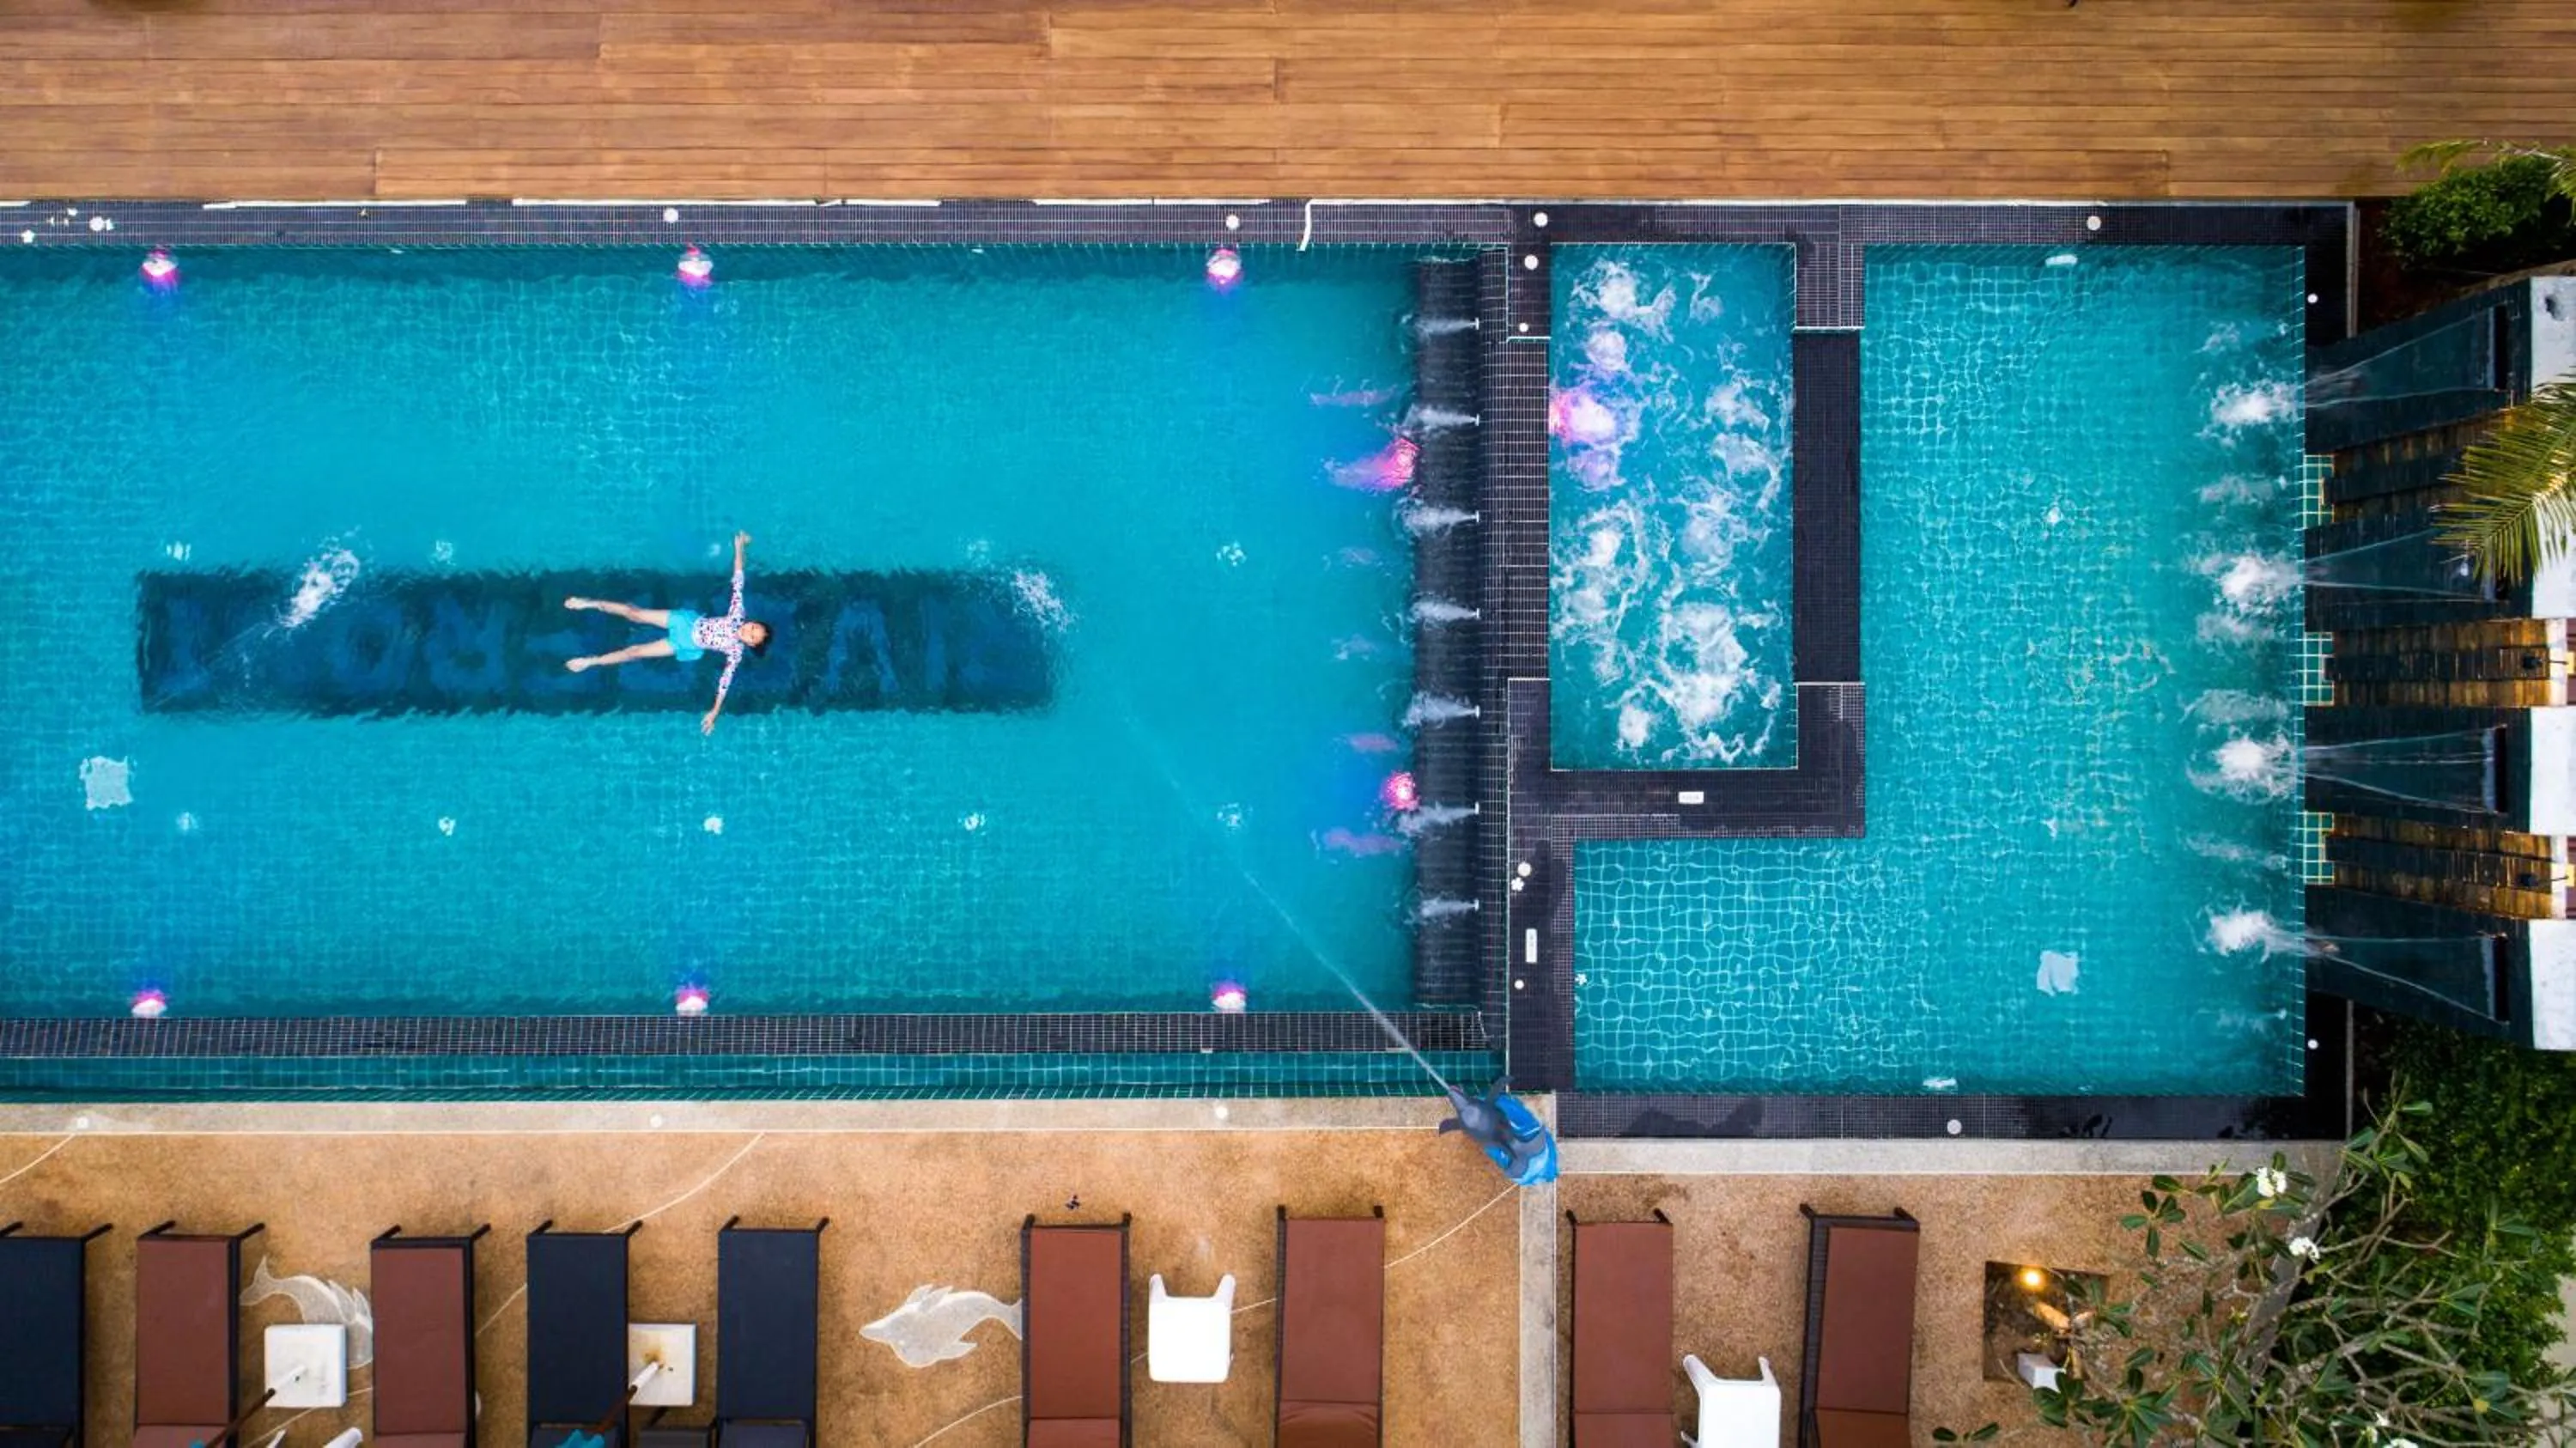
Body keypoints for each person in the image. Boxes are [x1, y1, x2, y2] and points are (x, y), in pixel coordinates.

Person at [563, 532, 771, 734]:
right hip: (685, 622)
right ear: (751, 622)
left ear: (751, 644)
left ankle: (591, 662)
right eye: (753, 627)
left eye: (753, 636)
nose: (749, 631)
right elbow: (738, 579)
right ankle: (590, 603)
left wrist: (714, 712)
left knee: (634, 653)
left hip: (686, 644)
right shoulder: (737, 614)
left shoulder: (735, 651)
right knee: (634, 613)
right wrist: (739, 547)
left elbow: (725, 681)